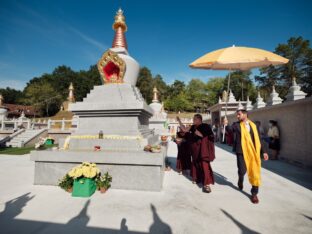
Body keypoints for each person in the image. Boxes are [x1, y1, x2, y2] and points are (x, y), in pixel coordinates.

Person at [232, 106, 269, 204]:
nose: (237, 116)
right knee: (242, 171)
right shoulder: (236, 125)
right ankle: (240, 180)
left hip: (254, 152)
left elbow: (258, 139)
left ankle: (254, 194)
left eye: (239, 114)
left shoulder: (254, 125)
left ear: (245, 114)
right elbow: (230, 129)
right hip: (241, 151)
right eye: (237, 114)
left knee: (255, 172)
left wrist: (264, 151)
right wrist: (225, 124)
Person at [177, 114, 215, 193]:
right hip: (194, 149)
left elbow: (204, 135)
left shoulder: (205, 126)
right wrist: (179, 121)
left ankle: (206, 184)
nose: (193, 121)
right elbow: (184, 130)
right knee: (195, 163)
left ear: (199, 119)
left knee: (204, 165)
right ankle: (196, 178)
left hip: (203, 150)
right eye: (193, 119)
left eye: (194, 119)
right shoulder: (192, 127)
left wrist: (195, 131)